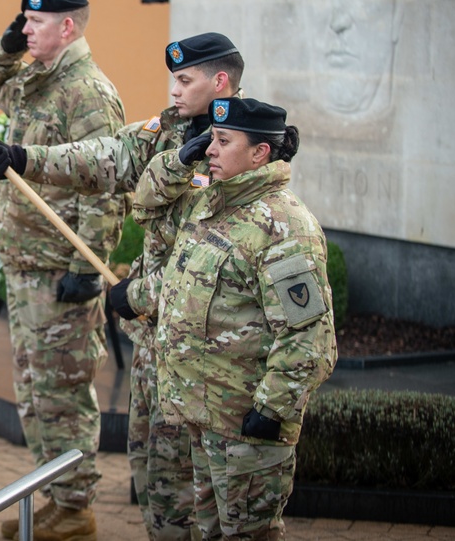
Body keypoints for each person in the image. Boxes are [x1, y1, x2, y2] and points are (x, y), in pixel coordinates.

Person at [0, 32, 244, 541]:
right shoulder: (170, 133)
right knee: (156, 481)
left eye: (185, 81)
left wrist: (135, 292)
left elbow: (214, 258)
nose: (175, 90)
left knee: (210, 493)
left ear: (221, 81)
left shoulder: (240, 149)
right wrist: (21, 158)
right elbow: (104, 157)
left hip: (209, 352)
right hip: (156, 343)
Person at [135, 97, 338, 540]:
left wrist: (270, 411)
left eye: (223, 141)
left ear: (260, 153)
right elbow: (146, 208)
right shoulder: (210, 204)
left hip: (247, 431)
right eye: (210, 139)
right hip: (206, 418)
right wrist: (178, 160)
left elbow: (309, 340)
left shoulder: (284, 226)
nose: (210, 149)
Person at [0, 0, 126, 541]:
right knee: (34, 391)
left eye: (37, 21)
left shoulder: (86, 91)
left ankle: (76, 506)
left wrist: (88, 270)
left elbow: (106, 183)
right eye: (24, 20)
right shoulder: (36, 79)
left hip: (59, 270)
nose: (27, 28)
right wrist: (9, 42)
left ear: (69, 28)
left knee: (63, 391)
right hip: (26, 263)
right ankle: (56, 493)